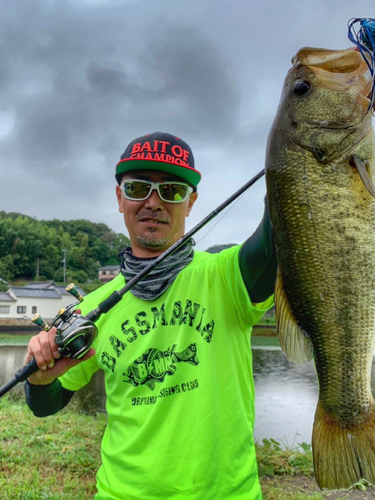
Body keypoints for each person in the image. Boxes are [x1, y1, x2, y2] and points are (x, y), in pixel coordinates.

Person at [25, 131, 277, 500]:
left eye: (172, 191)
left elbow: (282, 233)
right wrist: (40, 378)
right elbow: (46, 406)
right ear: (119, 198)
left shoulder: (229, 275)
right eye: (138, 188)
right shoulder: (89, 310)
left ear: (191, 203)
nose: (153, 202)